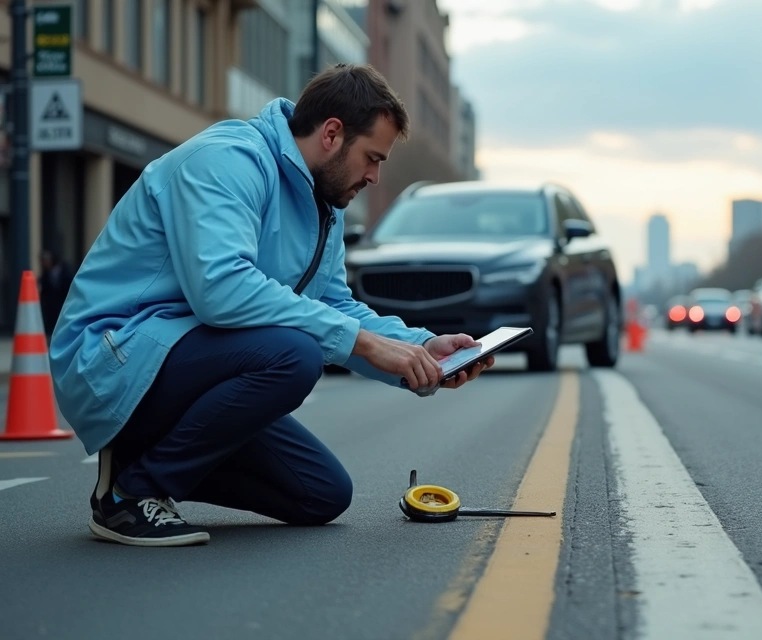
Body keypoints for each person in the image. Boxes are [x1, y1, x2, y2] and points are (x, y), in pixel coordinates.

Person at [48, 64, 494, 548]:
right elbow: (221, 289)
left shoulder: (325, 204)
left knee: (322, 494)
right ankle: (131, 497)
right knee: (295, 354)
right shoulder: (226, 161)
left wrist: (422, 350)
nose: (374, 175)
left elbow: (332, 305)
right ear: (331, 134)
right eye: (371, 157)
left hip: (181, 357)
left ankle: (141, 456)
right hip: (112, 358)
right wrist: (364, 343)